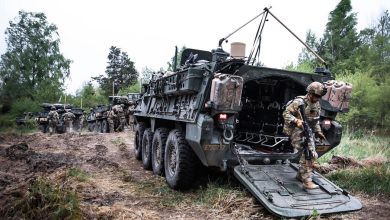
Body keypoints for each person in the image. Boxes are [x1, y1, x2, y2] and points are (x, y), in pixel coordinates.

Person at [282, 82, 327, 189]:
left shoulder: (316, 104)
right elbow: (285, 114)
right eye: (316, 96)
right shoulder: (299, 102)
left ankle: (300, 175)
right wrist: (296, 120)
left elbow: (315, 120)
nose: (318, 98)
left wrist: (319, 132)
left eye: (320, 96)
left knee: (312, 153)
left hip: (307, 130)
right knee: (308, 153)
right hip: (295, 130)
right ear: (310, 93)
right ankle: (307, 180)